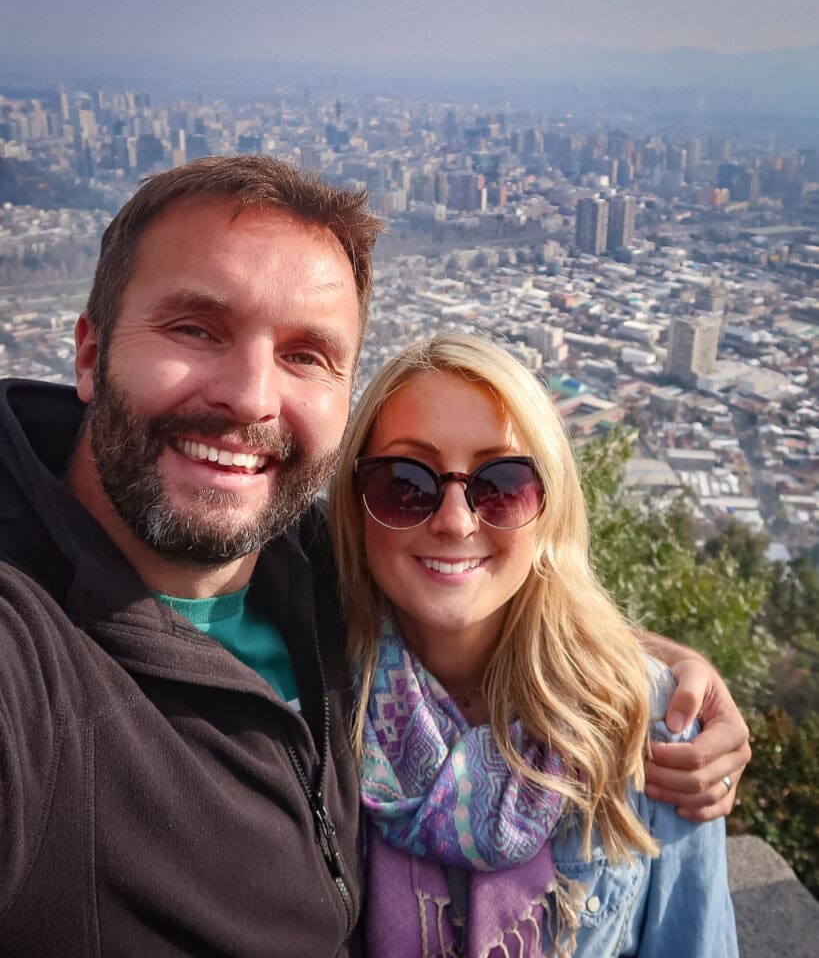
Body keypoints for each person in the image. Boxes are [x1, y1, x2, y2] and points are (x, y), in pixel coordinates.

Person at [0, 156, 745, 956]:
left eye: (305, 354)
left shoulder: (314, 571)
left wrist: (653, 669)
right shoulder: (29, 647)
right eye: (194, 328)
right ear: (87, 352)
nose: (250, 396)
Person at [328, 332, 738, 957]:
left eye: (501, 484)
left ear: (550, 510)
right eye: (404, 483)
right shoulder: (313, 708)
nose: (455, 520)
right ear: (356, 509)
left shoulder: (647, 724)